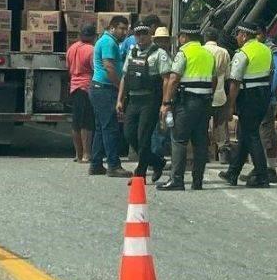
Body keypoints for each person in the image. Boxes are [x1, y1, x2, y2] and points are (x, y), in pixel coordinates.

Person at [157, 24, 216, 190]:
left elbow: (174, 78)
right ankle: (198, 181)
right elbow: (214, 79)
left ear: (184, 37)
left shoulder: (184, 53)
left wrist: (166, 103)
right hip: (204, 103)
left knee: (179, 140)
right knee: (200, 142)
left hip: (187, 102)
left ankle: (177, 180)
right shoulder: (208, 54)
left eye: (179, 36)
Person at [218, 23, 273, 188]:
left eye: (238, 35)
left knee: (251, 134)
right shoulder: (266, 50)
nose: (236, 38)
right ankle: (233, 173)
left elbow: (235, 83)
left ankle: (262, 175)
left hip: (249, 96)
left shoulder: (242, 54)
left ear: (244, 35)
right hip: (264, 95)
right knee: (245, 134)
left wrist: (229, 105)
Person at [117, 23, 171, 181]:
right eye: (137, 34)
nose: (140, 37)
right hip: (133, 100)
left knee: (144, 137)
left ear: (150, 35)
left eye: (144, 33)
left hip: (150, 101)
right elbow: (125, 77)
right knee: (129, 135)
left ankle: (140, 174)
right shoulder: (132, 52)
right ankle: (157, 162)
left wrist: (165, 103)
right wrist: (119, 99)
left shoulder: (159, 54)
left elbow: (166, 79)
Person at [89, 15, 131, 177]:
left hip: (99, 88)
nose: (124, 32)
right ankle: (113, 165)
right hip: (104, 89)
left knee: (101, 127)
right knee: (111, 127)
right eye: (121, 28)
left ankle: (96, 164)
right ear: (112, 28)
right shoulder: (108, 42)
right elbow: (109, 67)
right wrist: (121, 87)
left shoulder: (106, 41)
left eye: (126, 29)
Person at [250, 25, 277, 184]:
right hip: (259, 98)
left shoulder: (271, 50)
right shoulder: (261, 49)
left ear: (263, 34)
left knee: (266, 134)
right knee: (260, 133)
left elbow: (276, 73)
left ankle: (270, 170)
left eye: (257, 34)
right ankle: (261, 168)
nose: (255, 37)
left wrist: (268, 92)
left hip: (266, 98)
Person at [66, 24, 97, 162]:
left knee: (76, 121)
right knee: (87, 122)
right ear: (93, 37)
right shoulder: (92, 49)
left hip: (74, 86)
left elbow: (68, 66)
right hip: (86, 86)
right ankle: (86, 154)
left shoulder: (71, 48)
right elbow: (95, 68)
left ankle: (78, 154)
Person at [202, 27, 231, 163]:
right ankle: (223, 154)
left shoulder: (201, 51)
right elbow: (227, 76)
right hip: (220, 93)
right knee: (221, 124)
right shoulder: (224, 52)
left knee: (202, 124)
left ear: (205, 38)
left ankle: (205, 153)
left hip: (203, 94)